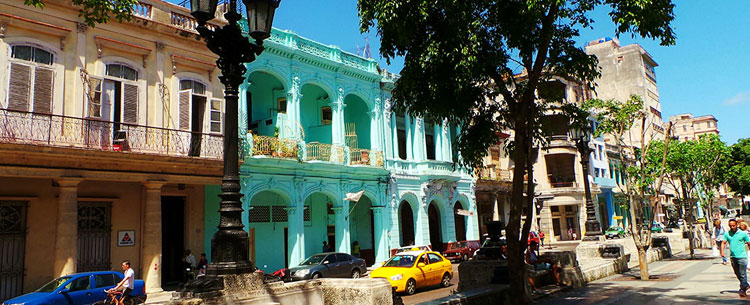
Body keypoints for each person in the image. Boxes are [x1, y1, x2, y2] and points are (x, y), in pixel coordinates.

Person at [721, 219, 750, 296]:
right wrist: (722, 251)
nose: (732, 227)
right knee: (737, 273)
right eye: (730, 226)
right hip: (733, 257)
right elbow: (723, 242)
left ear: (737, 224)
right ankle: (746, 285)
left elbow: (749, 242)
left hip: (742, 256)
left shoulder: (743, 234)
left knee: (742, 273)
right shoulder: (727, 234)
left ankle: (743, 289)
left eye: (733, 225)